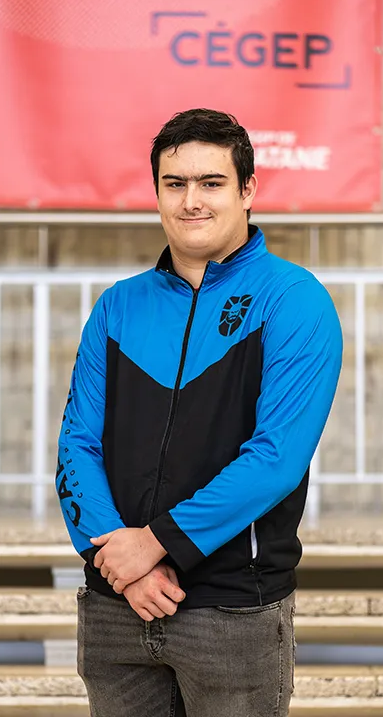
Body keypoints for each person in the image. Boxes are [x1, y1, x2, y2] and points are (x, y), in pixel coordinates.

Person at [56, 108, 343, 717]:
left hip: (233, 612)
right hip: (116, 605)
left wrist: (154, 544)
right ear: (157, 191)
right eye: (175, 183)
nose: (192, 201)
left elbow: (275, 461)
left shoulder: (294, 301)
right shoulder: (118, 306)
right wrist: (119, 561)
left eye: (211, 183)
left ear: (247, 190)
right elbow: (77, 443)